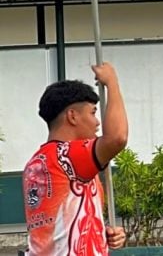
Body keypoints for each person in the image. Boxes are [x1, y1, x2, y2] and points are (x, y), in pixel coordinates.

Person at [23, 64, 129, 255]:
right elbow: (116, 138)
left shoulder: (35, 163)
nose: (97, 123)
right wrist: (112, 83)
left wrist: (100, 234)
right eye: (93, 113)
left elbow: (58, 229)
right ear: (72, 116)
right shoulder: (67, 156)